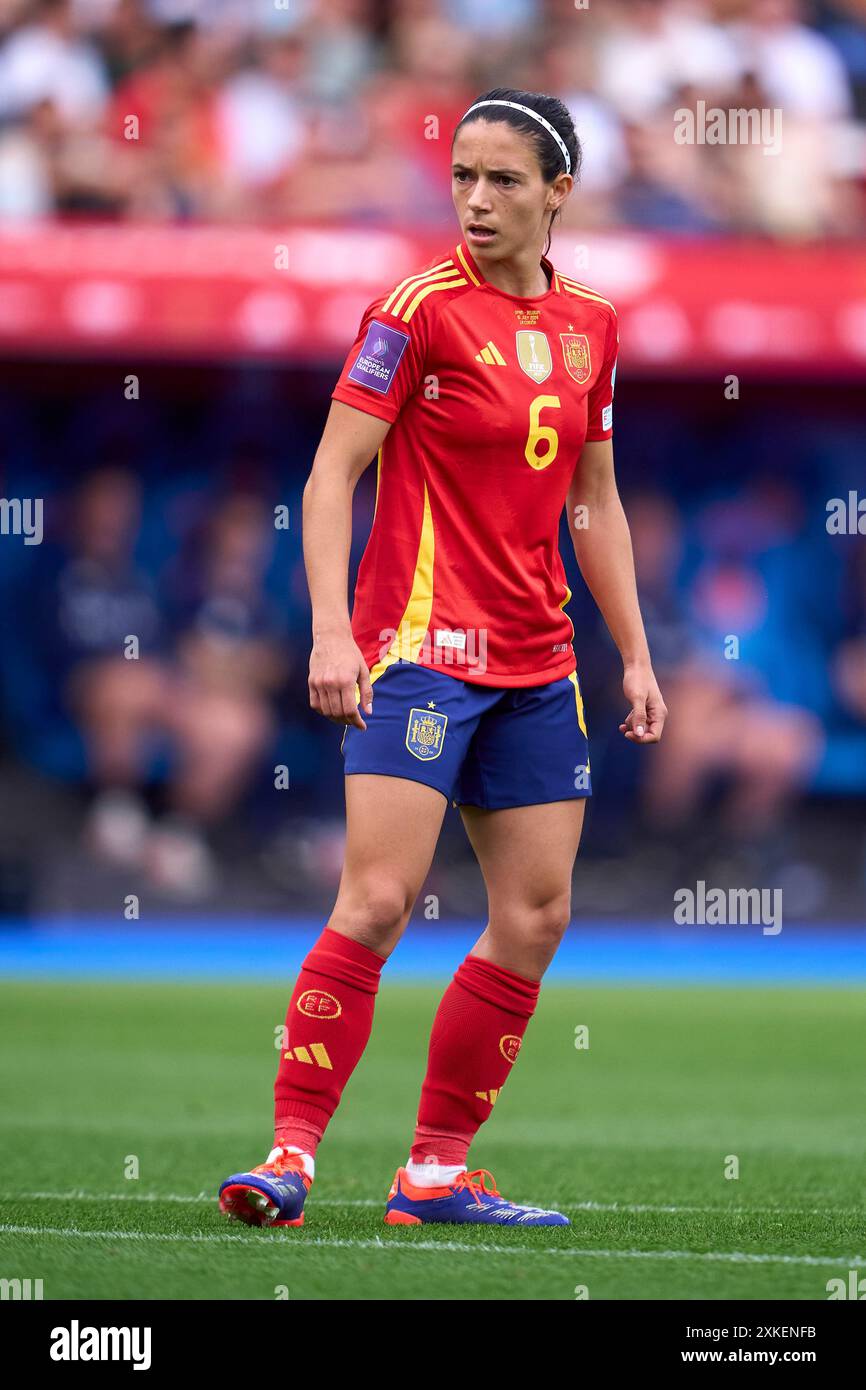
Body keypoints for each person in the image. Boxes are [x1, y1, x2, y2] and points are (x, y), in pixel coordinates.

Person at [219, 87, 667, 1229]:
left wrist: (636, 654)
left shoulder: (594, 327)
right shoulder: (413, 311)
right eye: (463, 175)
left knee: (536, 913)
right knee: (376, 899)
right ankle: (289, 1156)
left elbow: (595, 505)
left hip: (536, 660)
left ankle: (433, 1171)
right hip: (419, 649)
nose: (475, 199)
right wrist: (331, 628)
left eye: (503, 179)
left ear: (556, 194)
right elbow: (330, 477)